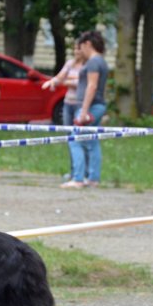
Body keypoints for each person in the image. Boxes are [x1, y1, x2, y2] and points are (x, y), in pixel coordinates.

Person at [60, 30, 108, 189]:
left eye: (81, 47)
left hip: (92, 106)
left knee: (75, 139)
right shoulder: (102, 61)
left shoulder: (93, 62)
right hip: (99, 105)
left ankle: (78, 178)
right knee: (92, 141)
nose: (80, 51)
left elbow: (92, 86)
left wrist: (84, 111)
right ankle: (93, 178)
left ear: (88, 44)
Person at [42, 43, 86, 180]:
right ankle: (74, 171)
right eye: (74, 48)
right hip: (68, 104)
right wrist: (53, 82)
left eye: (78, 48)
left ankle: (83, 173)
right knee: (70, 138)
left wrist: (67, 81)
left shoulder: (88, 66)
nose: (76, 51)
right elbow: (60, 77)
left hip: (81, 105)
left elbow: (81, 83)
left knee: (81, 138)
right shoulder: (70, 63)